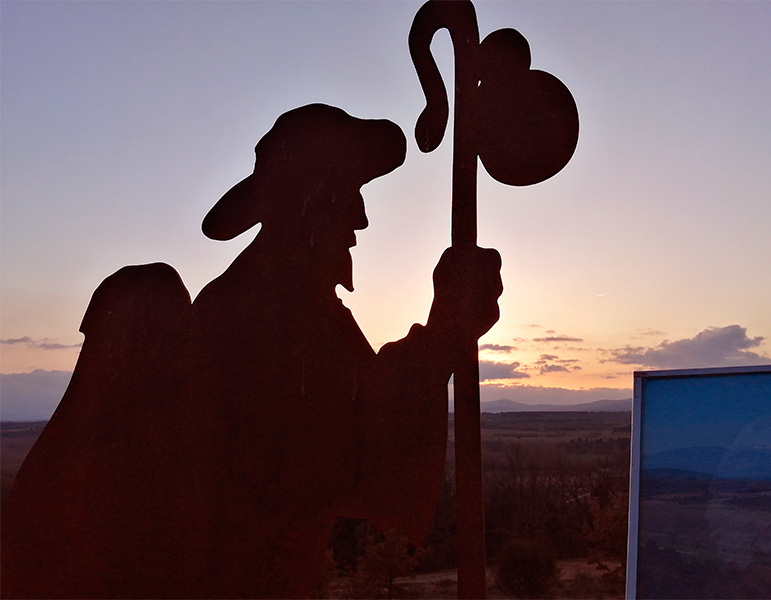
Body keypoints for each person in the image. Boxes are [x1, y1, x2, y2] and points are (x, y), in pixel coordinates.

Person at [1, 103, 502, 599]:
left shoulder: (297, 311)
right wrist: (446, 332)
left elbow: (362, 425)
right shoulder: (265, 319)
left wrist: (445, 333)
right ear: (309, 201)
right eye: (348, 194)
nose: (362, 218)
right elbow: (358, 462)